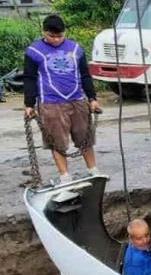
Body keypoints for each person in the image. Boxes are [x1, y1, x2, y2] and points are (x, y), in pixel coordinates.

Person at [22, 15, 102, 183]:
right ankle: (65, 177)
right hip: (50, 103)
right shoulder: (34, 51)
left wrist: (92, 98)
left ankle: (93, 170)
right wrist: (29, 104)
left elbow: (85, 75)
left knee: (85, 137)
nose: (57, 40)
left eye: (60, 36)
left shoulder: (76, 49)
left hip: (78, 100)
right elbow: (29, 78)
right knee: (57, 141)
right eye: (52, 36)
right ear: (44, 32)